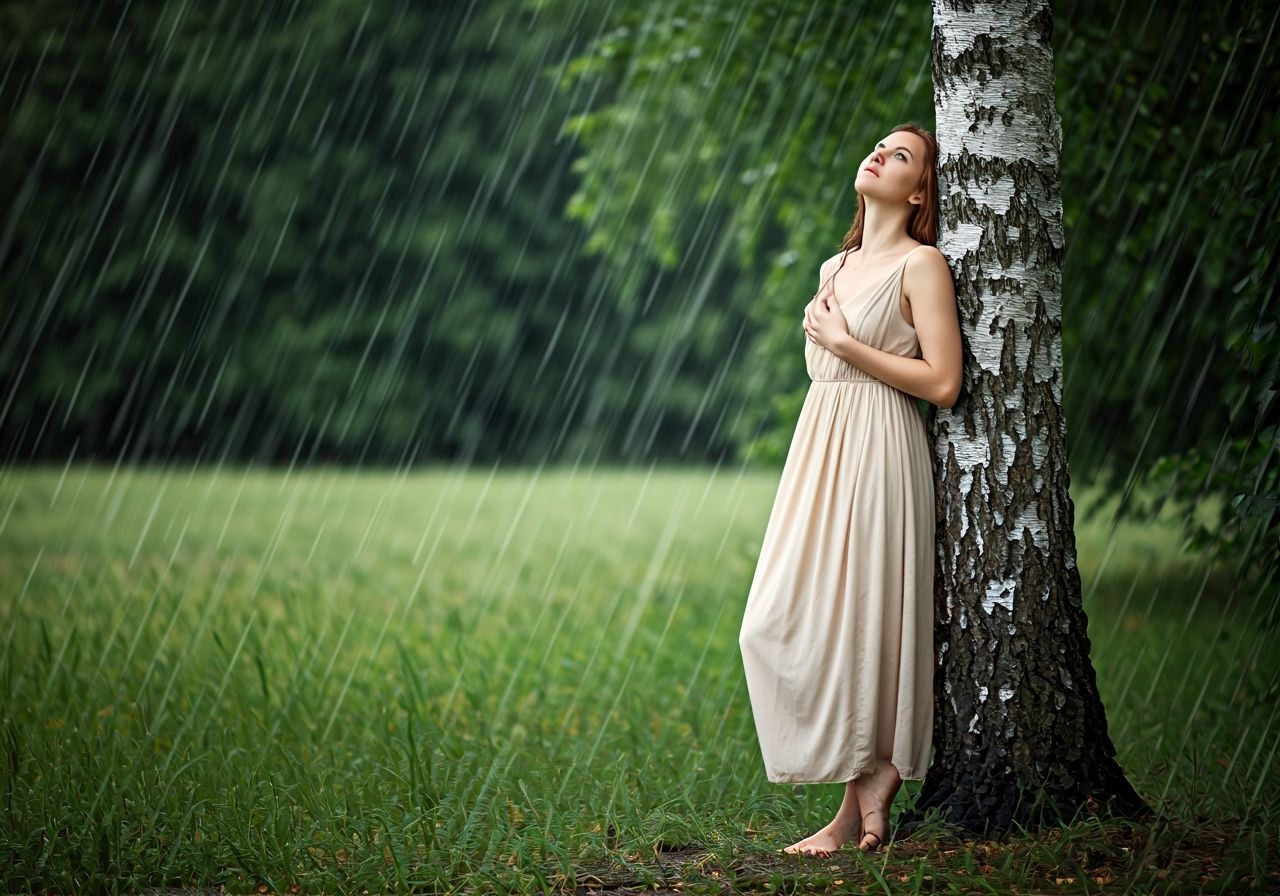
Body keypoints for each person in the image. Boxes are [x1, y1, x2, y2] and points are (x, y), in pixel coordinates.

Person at [738, 123, 962, 856]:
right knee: (779, 619)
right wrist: (838, 352)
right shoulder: (837, 265)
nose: (878, 155)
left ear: (920, 189)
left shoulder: (921, 264)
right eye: (877, 146)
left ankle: (867, 794)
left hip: (881, 444)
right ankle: (857, 787)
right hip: (820, 448)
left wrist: (848, 346)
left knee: (868, 613)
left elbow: (943, 383)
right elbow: (828, 368)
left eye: (900, 156)